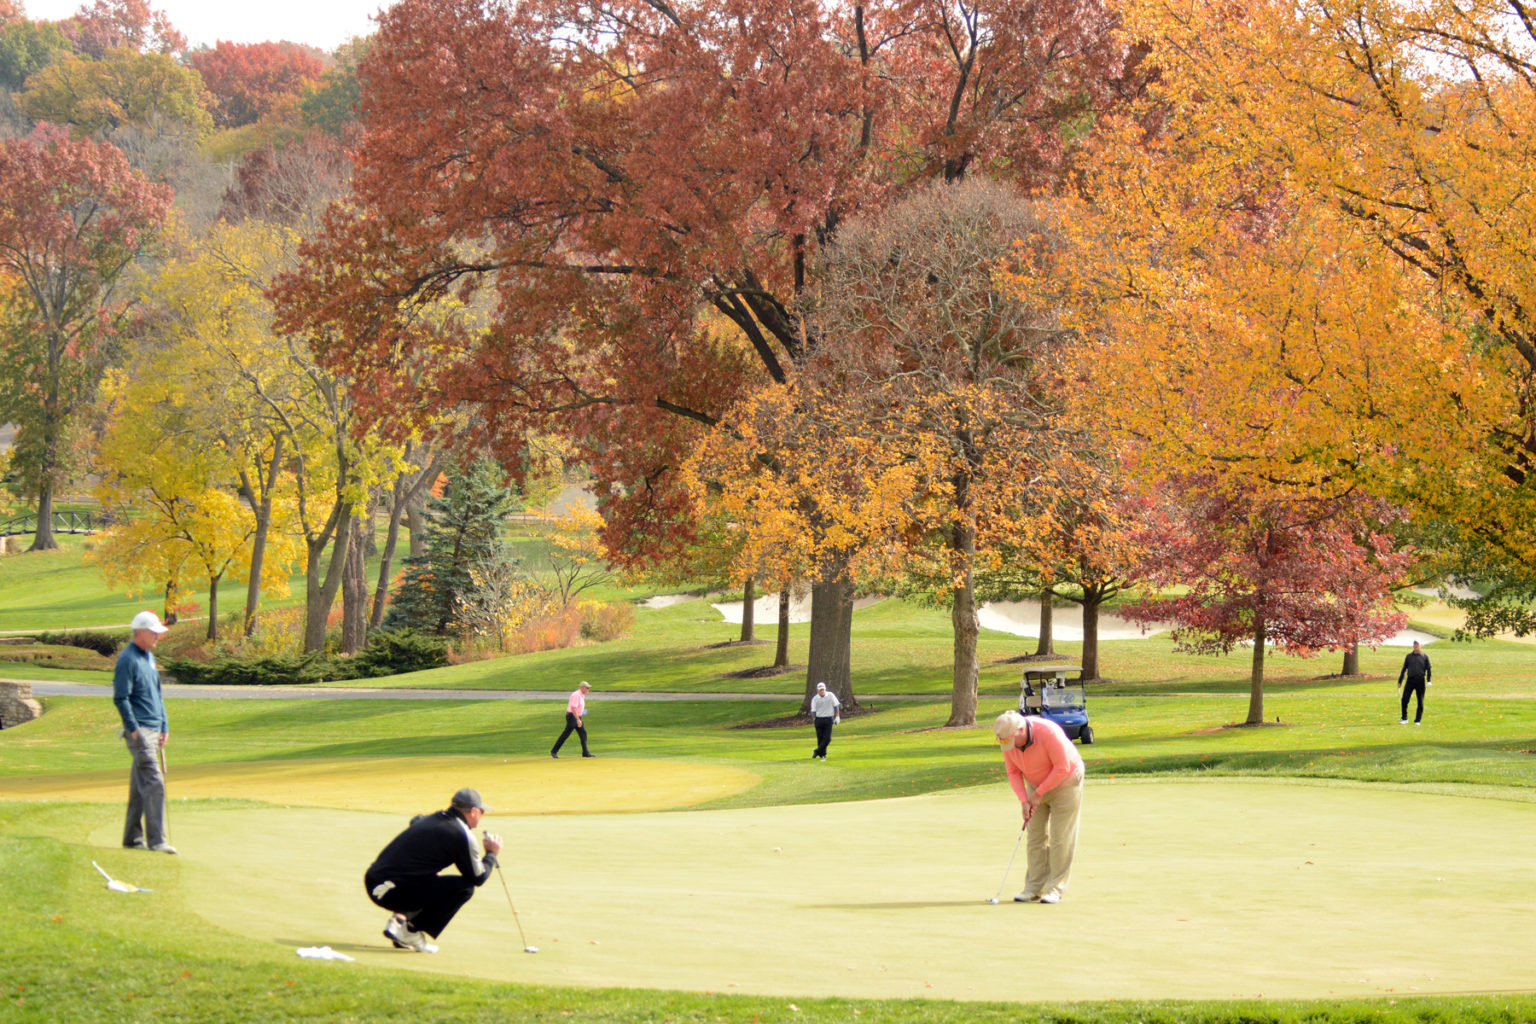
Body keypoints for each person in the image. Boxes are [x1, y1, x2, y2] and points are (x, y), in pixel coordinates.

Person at [364, 787, 503, 953]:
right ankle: (410, 932)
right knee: (463, 888)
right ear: (473, 811)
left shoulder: (431, 818)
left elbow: (415, 821)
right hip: (391, 892)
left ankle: (400, 922)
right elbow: (478, 877)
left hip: (374, 881)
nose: (481, 816)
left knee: (428, 878)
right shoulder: (461, 833)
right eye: (481, 811)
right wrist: (491, 854)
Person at [994, 709, 1084, 904]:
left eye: (1010, 741)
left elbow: (1063, 767)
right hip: (1035, 784)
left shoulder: (1049, 732)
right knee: (1035, 836)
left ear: (1019, 731)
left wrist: (1038, 794)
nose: (1007, 747)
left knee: (1061, 837)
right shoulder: (1008, 741)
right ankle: (1034, 887)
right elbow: (1013, 772)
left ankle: (1055, 889)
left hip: (1066, 782)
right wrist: (1024, 800)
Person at [112, 610, 176, 854]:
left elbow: (157, 695)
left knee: (140, 785)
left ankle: (132, 837)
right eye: (154, 632)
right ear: (140, 632)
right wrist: (133, 729)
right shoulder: (127, 659)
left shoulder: (148, 657)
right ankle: (157, 840)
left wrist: (164, 726)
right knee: (154, 781)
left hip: (154, 728)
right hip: (139, 730)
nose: (158, 637)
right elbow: (121, 697)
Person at [551, 680, 594, 758]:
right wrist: (577, 719)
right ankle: (554, 751)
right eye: (587, 688)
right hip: (572, 717)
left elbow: (578, 708)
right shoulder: (576, 695)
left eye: (589, 688)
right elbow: (573, 708)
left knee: (583, 733)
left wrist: (583, 712)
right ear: (582, 688)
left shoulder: (581, 695)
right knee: (566, 734)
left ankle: (585, 753)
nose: (588, 689)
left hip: (576, 716)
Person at [1397, 640, 1433, 724]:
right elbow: (1404, 669)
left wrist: (1429, 680)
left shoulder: (1425, 656)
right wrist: (1400, 680)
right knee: (1404, 699)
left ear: (1421, 645)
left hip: (1420, 681)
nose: (1416, 645)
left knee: (1420, 701)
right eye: (1414, 644)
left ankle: (1418, 720)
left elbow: (1428, 669)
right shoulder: (1409, 656)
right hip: (1410, 680)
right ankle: (1404, 718)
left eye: (1417, 644)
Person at [809, 680, 841, 760]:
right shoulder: (815, 699)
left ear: (825, 689)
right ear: (818, 690)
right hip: (819, 719)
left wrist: (837, 716)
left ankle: (816, 751)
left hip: (828, 718)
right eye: (820, 690)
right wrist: (815, 720)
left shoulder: (830, 695)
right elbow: (813, 711)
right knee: (820, 738)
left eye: (823, 689)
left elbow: (836, 706)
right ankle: (822, 755)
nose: (822, 691)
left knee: (827, 738)